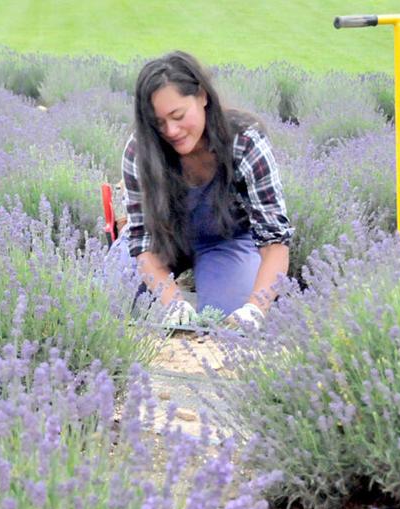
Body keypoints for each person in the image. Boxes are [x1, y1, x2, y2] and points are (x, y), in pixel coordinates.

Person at [119, 51, 293, 330]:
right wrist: (172, 301)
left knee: (226, 324)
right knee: (105, 301)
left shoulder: (245, 143)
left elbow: (275, 239)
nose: (171, 131)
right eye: (158, 123)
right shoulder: (140, 150)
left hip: (225, 242)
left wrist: (255, 309)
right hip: (163, 240)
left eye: (178, 115)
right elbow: (141, 240)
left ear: (202, 96)